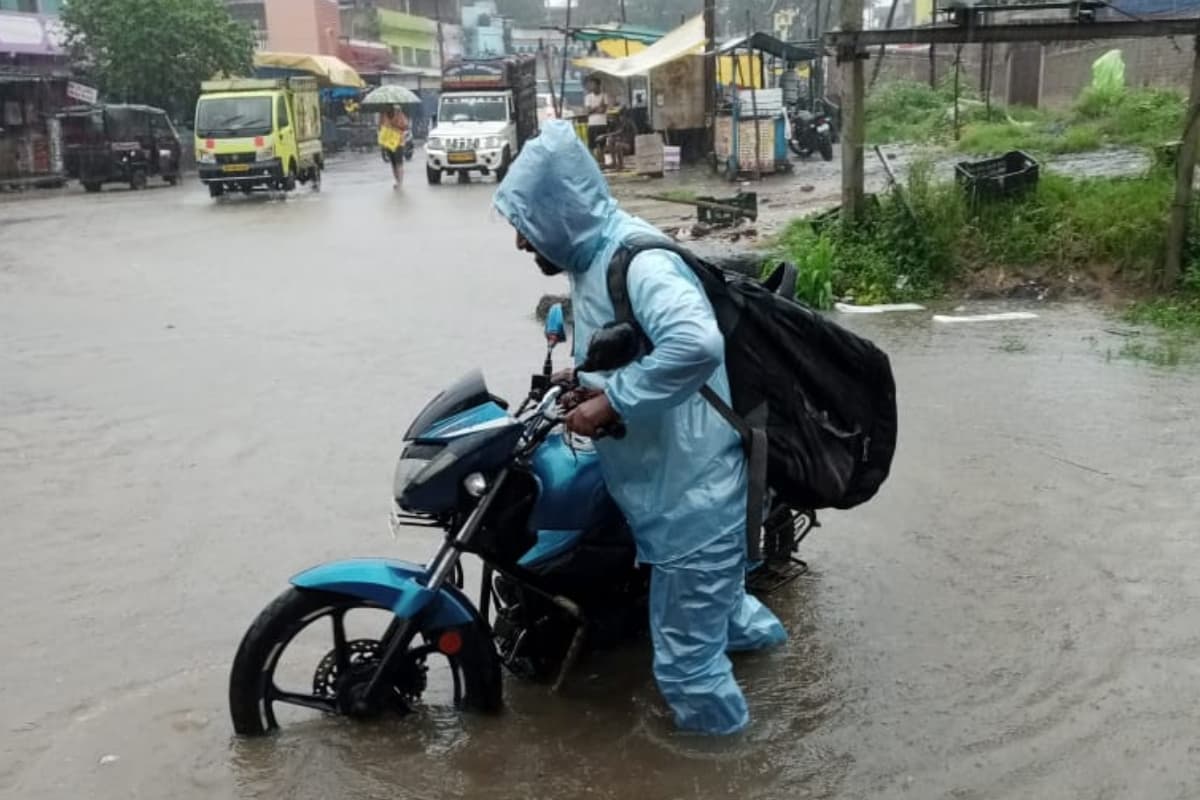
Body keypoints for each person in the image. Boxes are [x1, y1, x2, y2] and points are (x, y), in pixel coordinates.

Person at [494, 120, 786, 736]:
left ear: (559, 212)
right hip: (673, 487)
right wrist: (587, 381)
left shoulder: (638, 261)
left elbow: (694, 343)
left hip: (694, 498)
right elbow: (632, 348)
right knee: (727, 618)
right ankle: (790, 671)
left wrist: (611, 403)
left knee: (687, 673)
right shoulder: (590, 260)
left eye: (525, 224)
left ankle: (735, 769)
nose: (521, 243)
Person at [379, 105, 409, 188]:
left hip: (398, 142)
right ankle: (397, 180)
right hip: (388, 142)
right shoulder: (384, 115)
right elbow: (381, 127)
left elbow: (405, 125)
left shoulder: (399, 115)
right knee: (393, 163)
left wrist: (395, 125)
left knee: (399, 163)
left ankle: (400, 182)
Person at [583, 77, 609, 164]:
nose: (591, 87)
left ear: (598, 85)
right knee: (591, 145)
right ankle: (592, 163)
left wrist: (593, 110)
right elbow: (587, 111)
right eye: (590, 85)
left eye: (593, 85)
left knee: (601, 146)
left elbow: (603, 110)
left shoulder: (604, 96)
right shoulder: (588, 97)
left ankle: (602, 162)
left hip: (602, 123)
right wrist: (597, 107)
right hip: (592, 124)